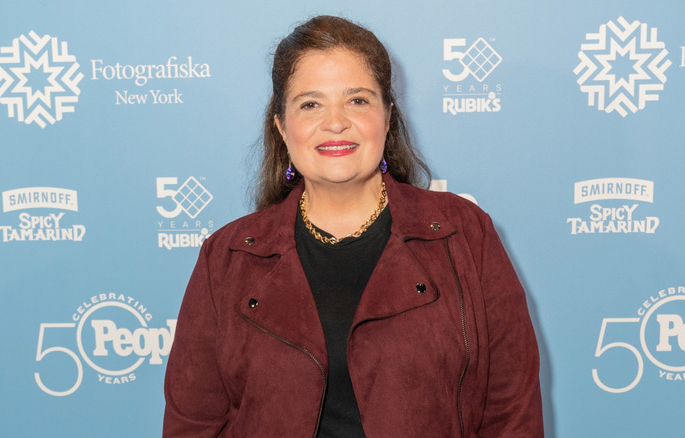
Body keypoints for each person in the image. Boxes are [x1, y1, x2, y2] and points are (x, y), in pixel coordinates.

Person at [163, 15, 543, 438]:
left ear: (387, 115)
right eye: (310, 104)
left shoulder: (465, 234)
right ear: (281, 126)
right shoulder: (227, 257)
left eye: (357, 100)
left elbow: (512, 414)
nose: (336, 122)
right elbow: (193, 424)